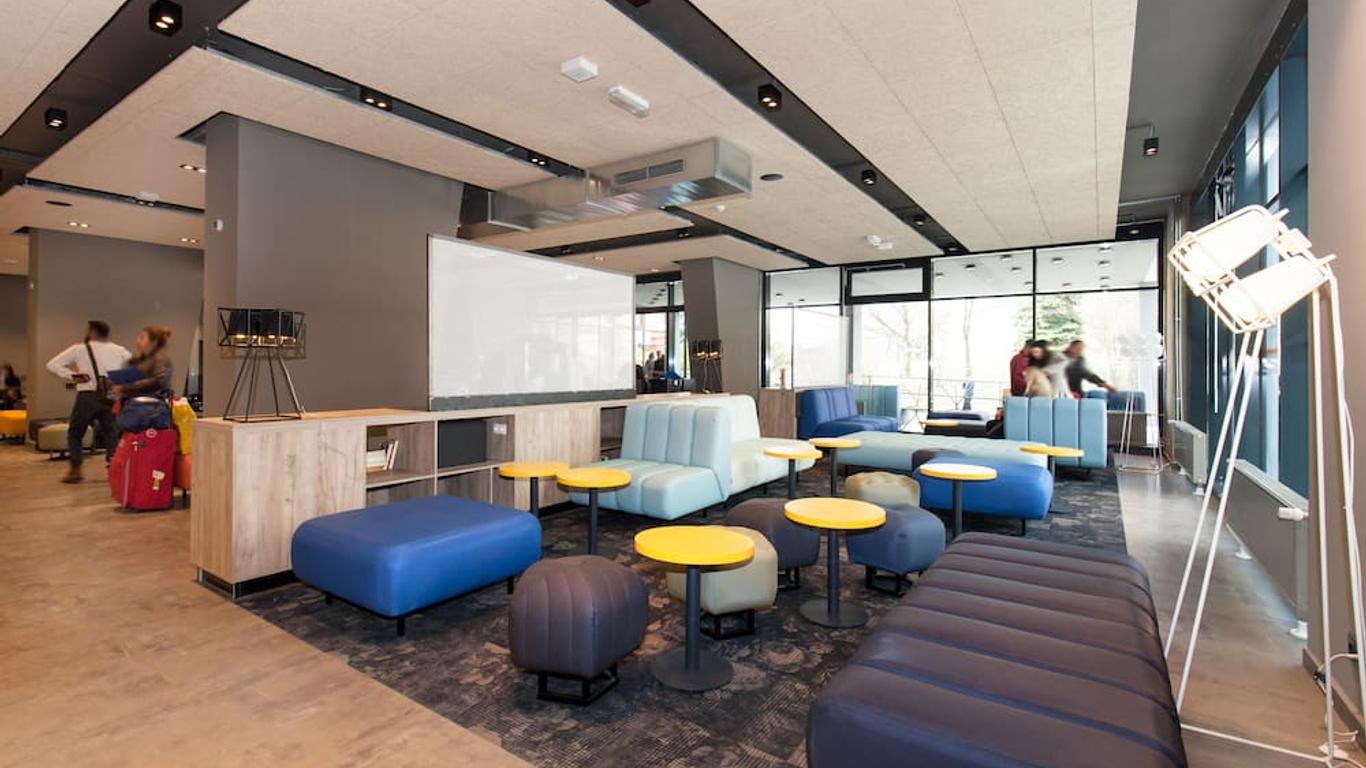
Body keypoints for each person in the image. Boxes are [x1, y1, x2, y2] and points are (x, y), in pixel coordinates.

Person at [45, 320, 130, 483]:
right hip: (110, 397)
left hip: (87, 396)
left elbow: (52, 365)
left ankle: (75, 469)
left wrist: (73, 376)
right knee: (111, 432)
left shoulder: (80, 349)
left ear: (92, 332)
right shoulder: (119, 350)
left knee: (75, 432)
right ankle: (114, 467)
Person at [114, 326, 175, 434]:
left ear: (153, 342)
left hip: (147, 410)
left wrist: (126, 387)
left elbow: (159, 380)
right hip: (135, 408)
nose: (137, 340)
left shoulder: (160, 359)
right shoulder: (135, 361)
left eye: (142, 337)